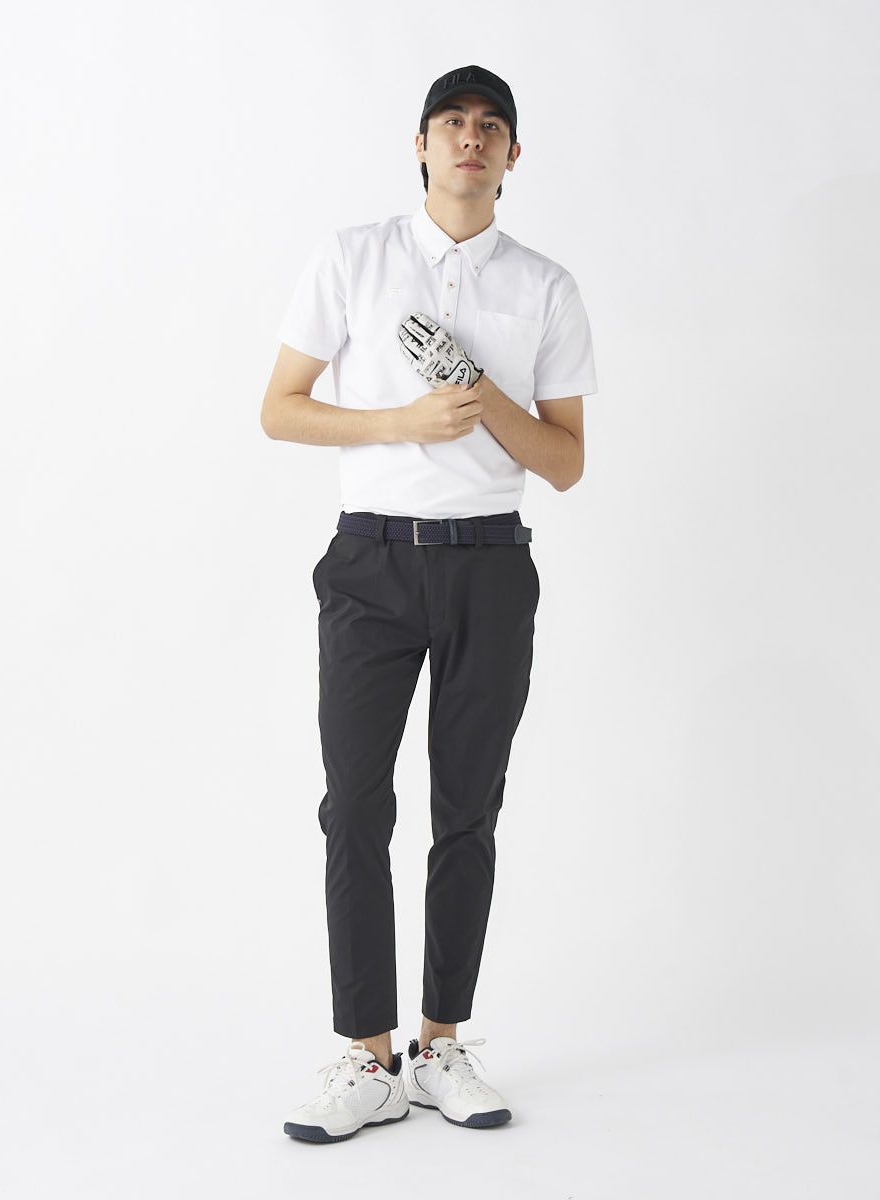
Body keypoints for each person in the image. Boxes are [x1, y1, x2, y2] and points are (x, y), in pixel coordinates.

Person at [261, 64, 598, 1143]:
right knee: (355, 806)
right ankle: (367, 1058)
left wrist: (478, 392)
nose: (469, 138)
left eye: (490, 126)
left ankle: (440, 1042)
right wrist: (398, 424)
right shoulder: (352, 258)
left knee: (467, 809)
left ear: (512, 155)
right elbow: (280, 408)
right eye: (451, 122)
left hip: (490, 567)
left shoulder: (544, 287)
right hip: (371, 562)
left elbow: (565, 462)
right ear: (420, 144)